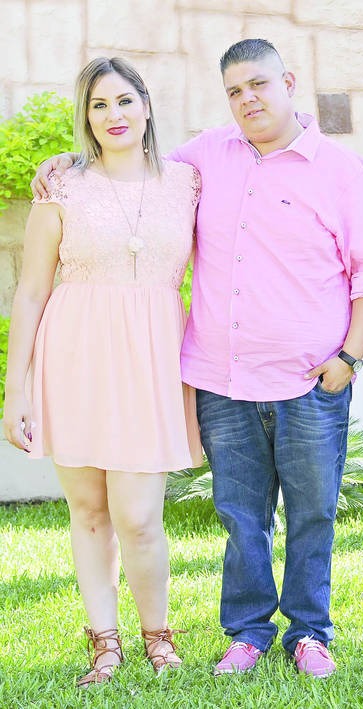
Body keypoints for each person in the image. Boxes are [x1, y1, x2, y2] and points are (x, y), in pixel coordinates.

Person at [33, 38, 363, 679]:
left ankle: (309, 634)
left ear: (288, 82)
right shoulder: (201, 160)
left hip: (313, 376)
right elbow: (126, 171)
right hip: (222, 378)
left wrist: (350, 357)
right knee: (240, 516)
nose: (247, 99)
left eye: (259, 84)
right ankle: (247, 634)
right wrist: (66, 162)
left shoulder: (340, 169)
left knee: (312, 514)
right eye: (234, 91)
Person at [4, 57, 202, 686]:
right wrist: (16, 392)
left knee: (139, 516)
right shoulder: (61, 187)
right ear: (85, 116)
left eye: (124, 100)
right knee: (89, 511)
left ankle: (158, 635)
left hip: (152, 359)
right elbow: (31, 292)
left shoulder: (189, 181)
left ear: (146, 105)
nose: (113, 114)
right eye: (98, 104)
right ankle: (105, 643)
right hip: (75, 355)